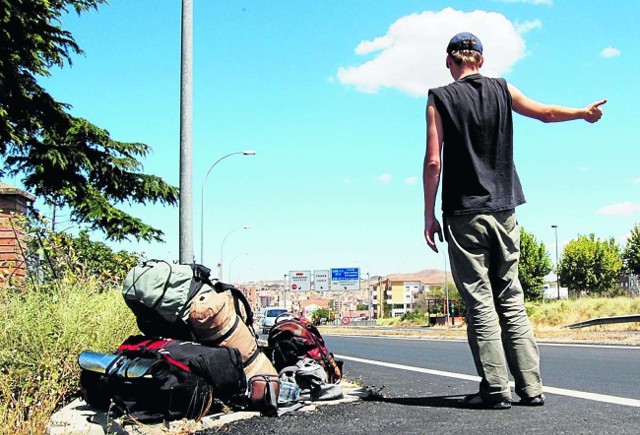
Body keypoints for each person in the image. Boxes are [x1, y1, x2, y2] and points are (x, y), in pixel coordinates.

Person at [423, 32, 606, 410]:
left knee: (479, 302)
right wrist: (583, 113)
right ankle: (532, 387)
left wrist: (428, 213)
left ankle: (494, 389)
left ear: (449, 61)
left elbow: (433, 162)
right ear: (481, 61)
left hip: (463, 212)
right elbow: (547, 114)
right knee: (511, 297)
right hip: (505, 210)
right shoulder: (504, 90)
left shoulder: (439, 97)